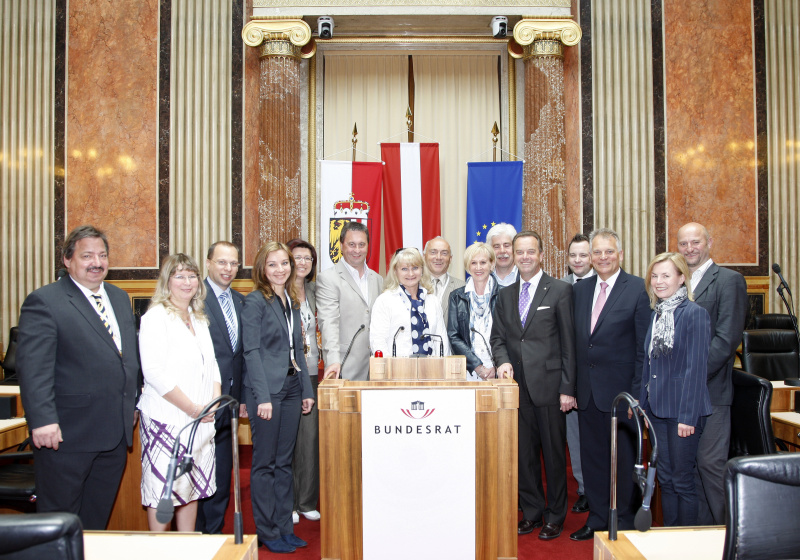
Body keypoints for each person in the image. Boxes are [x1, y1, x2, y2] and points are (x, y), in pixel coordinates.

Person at [16, 225, 140, 530]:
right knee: (59, 522)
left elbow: (127, 358)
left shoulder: (120, 298)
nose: (96, 262)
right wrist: (43, 419)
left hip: (114, 434)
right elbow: (34, 368)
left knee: (95, 519)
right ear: (67, 260)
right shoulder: (45, 301)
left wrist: (132, 402)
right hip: (67, 436)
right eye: (87, 255)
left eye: (102, 255)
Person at [491, 231, 576, 541]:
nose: (524, 257)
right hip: (516, 387)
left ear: (541, 255)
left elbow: (569, 343)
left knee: (554, 454)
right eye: (519, 252)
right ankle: (532, 511)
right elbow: (498, 338)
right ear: (513, 255)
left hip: (551, 387)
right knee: (523, 453)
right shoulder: (505, 294)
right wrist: (502, 361)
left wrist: (568, 387)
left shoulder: (560, 291)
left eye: (530, 251)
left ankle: (555, 515)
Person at [570, 228, 651, 542]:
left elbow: (644, 349)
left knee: (623, 460)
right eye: (597, 252)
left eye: (609, 252)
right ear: (590, 257)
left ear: (620, 255)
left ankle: (626, 522)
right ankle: (598, 517)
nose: (603, 257)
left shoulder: (638, 290)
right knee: (592, 460)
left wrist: (636, 397)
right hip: (587, 392)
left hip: (622, 396)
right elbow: (576, 344)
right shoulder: (579, 290)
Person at [138, 253, 222, 531]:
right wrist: (194, 409)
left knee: (190, 487)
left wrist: (212, 404)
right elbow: (154, 374)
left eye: (192, 276)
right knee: (163, 488)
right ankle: (160, 550)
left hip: (199, 420)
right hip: (168, 418)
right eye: (179, 276)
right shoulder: (156, 317)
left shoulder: (198, 318)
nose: (187, 282)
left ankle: (187, 545)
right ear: (167, 281)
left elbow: (212, 364)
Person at [242, 242, 315, 554]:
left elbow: (298, 348)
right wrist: (262, 397)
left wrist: (306, 391)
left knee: (285, 463)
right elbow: (251, 352)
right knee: (265, 464)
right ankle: (268, 530)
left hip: (292, 389)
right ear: (262, 269)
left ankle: (285, 526)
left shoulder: (291, 301)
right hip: (267, 393)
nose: (280, 269)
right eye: (272, 264)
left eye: (284, 263)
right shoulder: (255, 301)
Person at [676, 222, 748, 525]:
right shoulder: (676, 280)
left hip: (711, 391)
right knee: (690, 468)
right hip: (680, 396)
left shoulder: (729, 280)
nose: (690, 249)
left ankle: (731, 535)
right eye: (684, 244)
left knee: (711, 465)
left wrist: (691, 378)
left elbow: (726, 339)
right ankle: (703, 534)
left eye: (696, 242)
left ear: (709, 243)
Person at [641, 252, 712, 526]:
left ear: (682, 278)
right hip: (658, 410)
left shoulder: (695, 314)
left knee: (682, 481)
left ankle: (687, 544)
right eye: (655, 275)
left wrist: (687, 417)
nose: (658, 281)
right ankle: (669, 538)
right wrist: (644, 407)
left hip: (683, 413)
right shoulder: (657, 313)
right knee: (665, 479)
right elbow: (650, 364)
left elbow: (696, 370)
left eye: (666, 275)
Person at [196, 242, 247, 534]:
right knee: (198, 469)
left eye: (233, 264)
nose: (228, 269)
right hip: (200, 401)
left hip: (229, 403)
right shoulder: (193, 298)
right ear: (208, 263)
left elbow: (241, 355)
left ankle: (213, 532)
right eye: (222, 262)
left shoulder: (242, 301)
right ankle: (197, 532)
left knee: (222, 471)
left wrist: (241, 397)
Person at [317, 221, 384, 380]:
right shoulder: (328, 279)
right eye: (351, 244)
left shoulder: (378, 279)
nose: (357, 250)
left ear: (368, 246)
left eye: (362, 244)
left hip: (376, 370)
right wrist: (333, 362)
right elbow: (328, 323)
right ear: (341, 245)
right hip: (344, 367)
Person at [560, 233, 594, 514]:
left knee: (600, 439)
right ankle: (584, 488)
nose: (578, 260)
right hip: (569, 378)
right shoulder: (560, 287)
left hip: (599, 379)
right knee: (576, 438)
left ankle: (604, 489)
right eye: (573, 255)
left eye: (584, 255)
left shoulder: (607, 286)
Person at [287, 238, 321, 525]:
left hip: (311, 371)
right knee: (287, 439)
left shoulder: (313, 289)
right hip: (286, 374)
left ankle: (306, 500)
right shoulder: (275, 290)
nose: (303, 262)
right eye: (297, 257)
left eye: (308, 258)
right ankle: (288, 503)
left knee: (309, 439)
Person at [370, 248, 451, 357]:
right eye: (404, 269)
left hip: (432, 370)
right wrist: (390, 370)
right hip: (397, 370)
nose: (411, 273)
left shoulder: (432, 301)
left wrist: (444, 368)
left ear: (422, 270)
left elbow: (441, 340)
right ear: (395, 271)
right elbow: (378, 341)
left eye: (415, 268)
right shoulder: (385, 301)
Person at [447, 243, 499, 381]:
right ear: (467, 266)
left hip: (498, 370)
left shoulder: (504, 295)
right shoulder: (456, 296)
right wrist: (478, 367)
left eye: (483, 262)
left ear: (492, 264)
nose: (478, 267)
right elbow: (453, 335)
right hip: (468, 370)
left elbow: (510, 336)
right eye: (473, 263)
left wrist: (497, 366)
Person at [424, 236, 465, 325]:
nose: (438, 257)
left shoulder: (463, 288)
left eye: (444, 253)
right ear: (424, 256)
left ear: (450, 259)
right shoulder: (414, 286)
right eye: (433, 252)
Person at [486, 222, 518, 287]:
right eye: (496, 247)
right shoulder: (482, 278)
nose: (502, 251)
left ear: (515, 248)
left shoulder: (526, 277)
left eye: (506, 245)